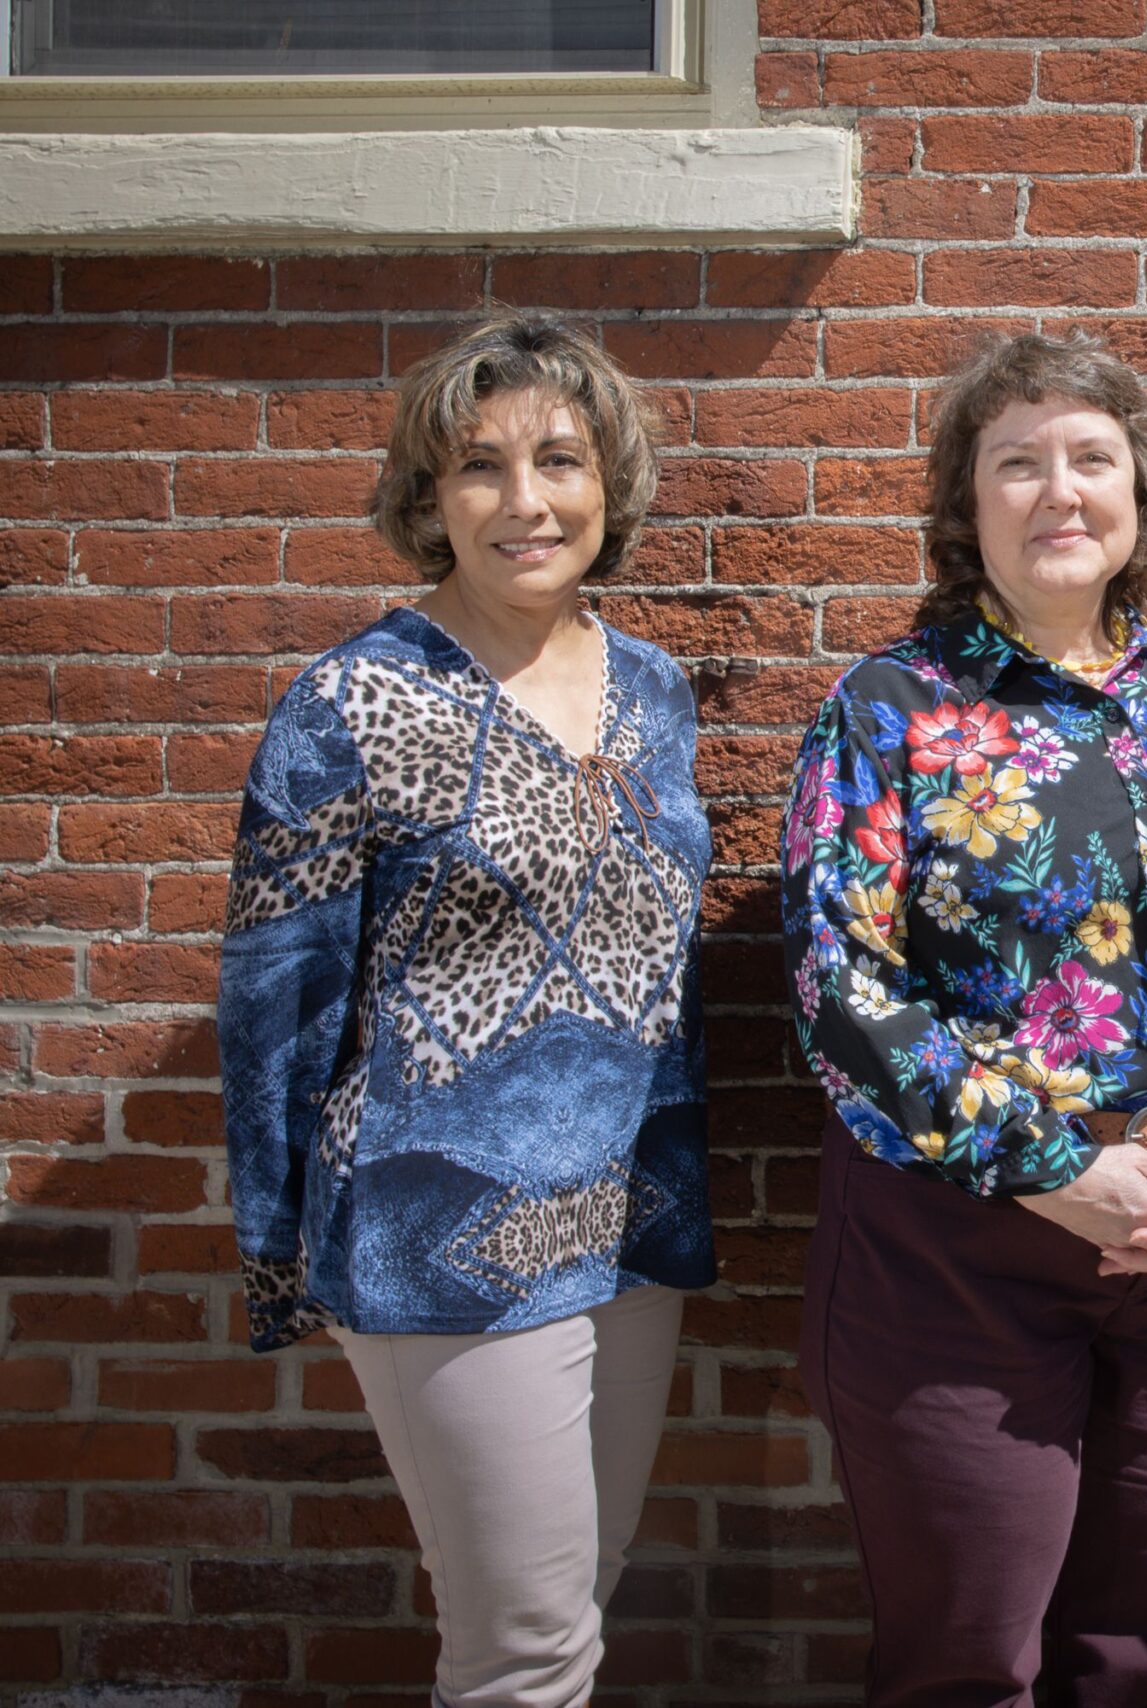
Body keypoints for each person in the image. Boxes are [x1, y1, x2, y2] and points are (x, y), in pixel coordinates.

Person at [780, 331, 1147, 1707]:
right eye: (1015, 464)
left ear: (1138, 494)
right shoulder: (890, 711)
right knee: (969, 1663)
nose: (1058, 492)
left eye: (1091, 458)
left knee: (1141, 1657)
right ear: (967, 509)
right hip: (955, 1259)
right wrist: (1050, 1169)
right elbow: (838, 986)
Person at [216, 313, 713, 1706]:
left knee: (582, 1588)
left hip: (626, 1214)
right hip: (440, 1231)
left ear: (609, 484)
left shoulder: (653, 691)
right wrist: (280, 1251)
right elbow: (273, 1000)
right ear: (429, 500)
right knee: (525, 1653)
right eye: (480, 467)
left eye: (560, 459)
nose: (525, 500)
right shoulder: (350, 704)